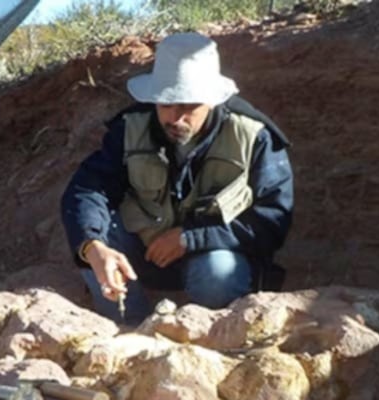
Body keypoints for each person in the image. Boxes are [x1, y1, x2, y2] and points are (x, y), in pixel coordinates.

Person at [61, 32, 294, 325]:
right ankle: (128, 330)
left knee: (217, 273)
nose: (175, 118)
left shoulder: (254, 137)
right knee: (92, 243)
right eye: (165, 104)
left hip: (213, 260)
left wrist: (191, 238)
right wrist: (93, 247)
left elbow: (272, 220)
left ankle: (213, 339)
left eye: (188, 106)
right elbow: (88, 188)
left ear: (212, 100)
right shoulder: (131, 128)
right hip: (146, 253)